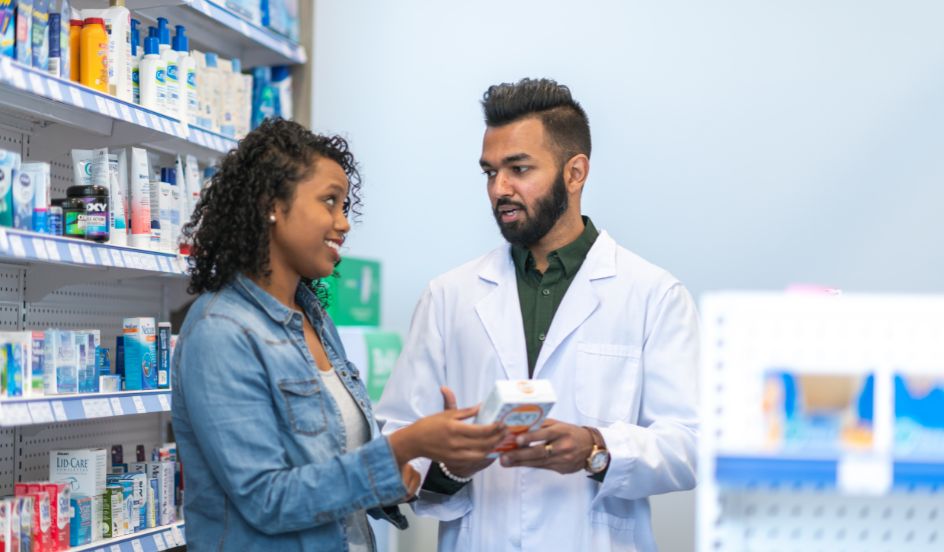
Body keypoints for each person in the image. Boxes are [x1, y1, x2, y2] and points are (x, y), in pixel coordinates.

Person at [376, 78, 699, 551]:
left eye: (519, 169)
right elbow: (398, 439)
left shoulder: (653, 294)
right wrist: (450, 466)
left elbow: (689, 443)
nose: (499, 189)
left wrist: (596, 448)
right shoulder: (449, 296)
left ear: (575, 172)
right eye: (489, 172)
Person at [171, 118, 506, 551]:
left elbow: (332, 472)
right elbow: (267, 500)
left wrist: (419, 470)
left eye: (345, 206)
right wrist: (404, 445)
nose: (343, 223)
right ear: (271, 203)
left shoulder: (315, 319)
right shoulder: (221, 332)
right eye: (330, 202)